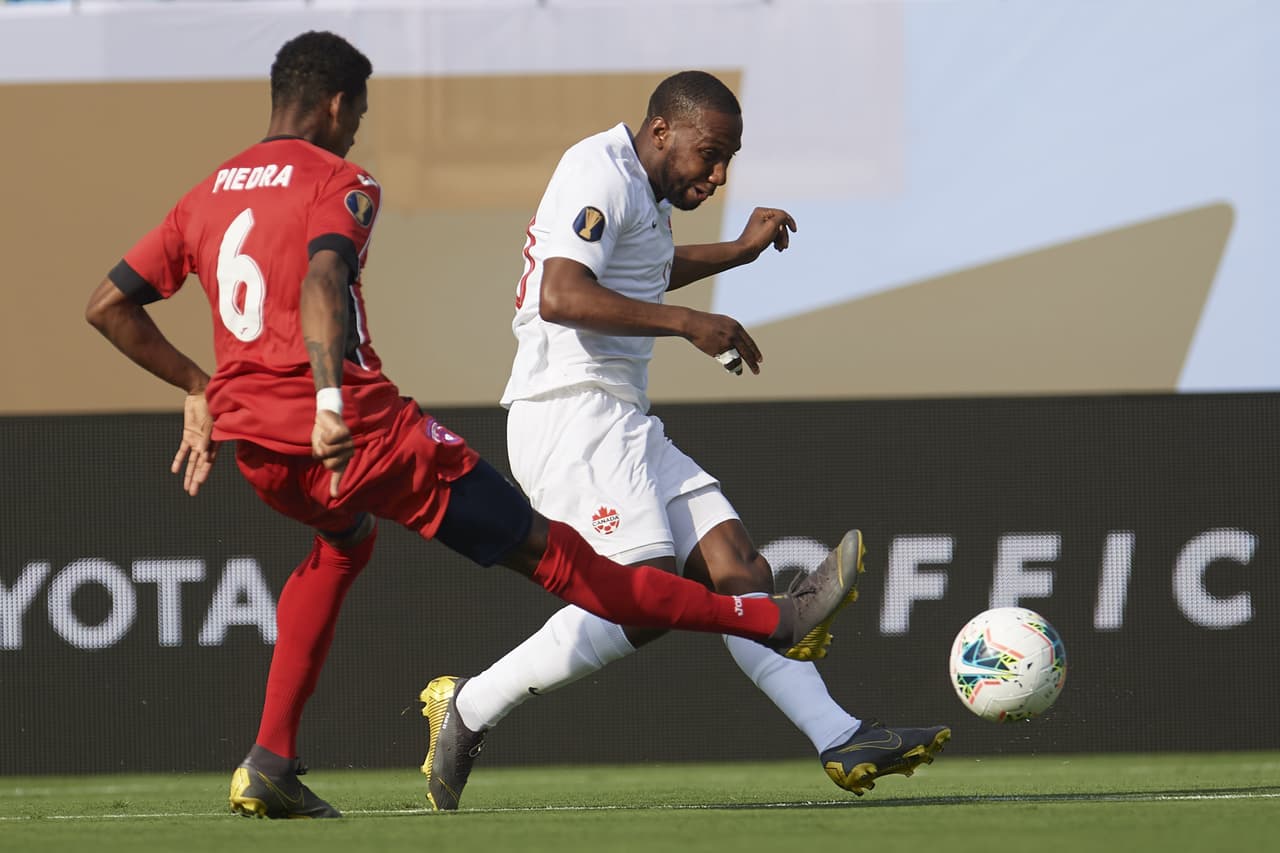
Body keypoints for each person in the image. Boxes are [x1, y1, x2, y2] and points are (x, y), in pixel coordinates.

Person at [83, 35, 864, 820]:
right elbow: (325, 278)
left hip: (257, 448)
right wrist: (326, 401)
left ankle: (269, 760)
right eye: (358, 111)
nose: (357, 128)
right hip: (362, 433)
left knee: (342, 544)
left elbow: (108, 304)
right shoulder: (341, 181)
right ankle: (771, 615)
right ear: (336, 105)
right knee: (579, 569)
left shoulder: (208, 193)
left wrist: (197, 385)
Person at [420, 70, 950, 811]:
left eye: (731, 158)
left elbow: (640, 269)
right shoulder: (596, 169)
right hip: (566, 413)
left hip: (618, 417)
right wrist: (690, 322)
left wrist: (735, 252)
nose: (721, 173)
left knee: (737, 562)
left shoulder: (640, 189)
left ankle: (839, 734)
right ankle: (470, 706)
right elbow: (562, 294)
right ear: (662, 131)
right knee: (643, 599)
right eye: (711, 153)